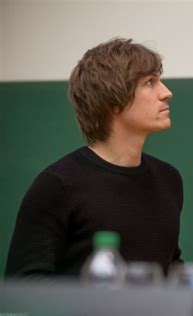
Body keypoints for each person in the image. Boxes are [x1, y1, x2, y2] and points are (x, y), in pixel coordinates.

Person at [5, 38, 183, 278]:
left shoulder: (168, 179)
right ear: (114, 101)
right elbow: (25, 286)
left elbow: (170, 267)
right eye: (150, 82)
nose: (166, 92)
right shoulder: (57, 185)